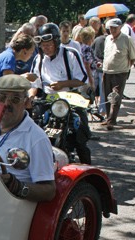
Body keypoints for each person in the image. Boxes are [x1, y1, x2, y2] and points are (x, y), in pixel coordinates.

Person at [30, 23, 91, 164]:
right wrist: (32, 96)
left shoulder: (70, 54)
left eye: (49, 45)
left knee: (80, 134)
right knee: (35, 128)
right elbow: (35, 83)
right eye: (43, 46)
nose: (46, 48)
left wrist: (62, 84)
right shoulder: (39, 59)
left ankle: (88, 169)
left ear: (56, 42)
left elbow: (82, 79)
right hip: (47, 98)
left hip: (70, 97)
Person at [0, 74, 55, 202]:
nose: (6, 104)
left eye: (15, 99)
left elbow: (49, 190)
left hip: (9, 203)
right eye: (2, 98)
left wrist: (16, 186)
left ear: (26, 103)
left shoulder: (36, 138)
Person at [101, 18, 135, 130]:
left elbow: (133, 57)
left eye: (115, 28)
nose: (112, 30)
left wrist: (126, 68)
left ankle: (112, 120)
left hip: (120, 72)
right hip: (107, 71)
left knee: (115, 96)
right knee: (107, 96)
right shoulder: (107, 38)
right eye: (111, 28)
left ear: (120, 27)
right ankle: (108, 118)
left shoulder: (126, 39)